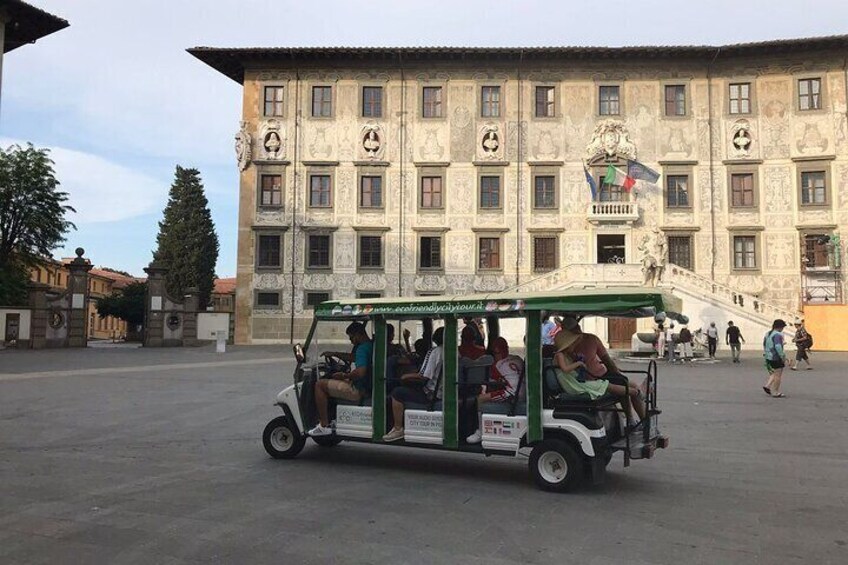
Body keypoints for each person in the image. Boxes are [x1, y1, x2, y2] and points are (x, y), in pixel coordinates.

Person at [550, 330, 646, 424]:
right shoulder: (560, 355)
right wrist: (578, 363)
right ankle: (636, 394)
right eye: (572, 344)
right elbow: (565, 369)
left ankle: (637, 395)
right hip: (574, 384)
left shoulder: (569, 354)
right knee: (608, 384)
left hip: (580, 380)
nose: (574, 346)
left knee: (615, 383)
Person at [308, 322, 373, 436]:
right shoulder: (370, 345)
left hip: (357, 389)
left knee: (319, 385)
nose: (351, 340)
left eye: (351, 337)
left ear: (358, 334)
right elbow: (354, 358)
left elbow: (361, 371)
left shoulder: (362, 349)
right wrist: (335, 354)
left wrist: (344, 375)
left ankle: (324, 425)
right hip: (367, 386)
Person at [383, 327, 445, 442]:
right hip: (443, 392)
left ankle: (398, 428)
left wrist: (405, 376)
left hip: (430, 394)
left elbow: (424, 376)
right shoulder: (453, 351)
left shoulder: (435, 352)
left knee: (397, 392)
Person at [466, 337, 525, 444]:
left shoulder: (497, 365)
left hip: (512, 394)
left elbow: (492, 385)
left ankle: (480, 431)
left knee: (480, 398)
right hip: (524, 391)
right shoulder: (517, 358)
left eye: (496, 353)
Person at [762, 319, 788, 398]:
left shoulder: (768, 334)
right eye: (783, 327)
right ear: (780, 327)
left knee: (773, 373)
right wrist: (783, 356)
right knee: (778, 375)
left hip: (768, 356)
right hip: (775, 357)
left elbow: (764, 343)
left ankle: (768, 386)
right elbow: (778, 346)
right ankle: (775, 391)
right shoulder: (777, 335)